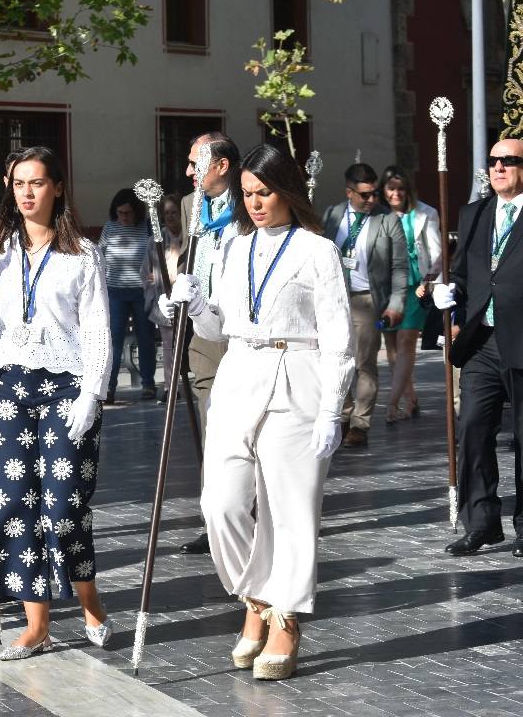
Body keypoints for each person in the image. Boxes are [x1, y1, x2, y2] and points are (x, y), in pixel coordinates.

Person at [162, 143, 353, 680]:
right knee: (220, 503)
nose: (255, 203)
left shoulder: (317, 251)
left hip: (299, 376)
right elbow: (217, 326)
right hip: (240, 375)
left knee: (290, 509)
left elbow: (339, 337)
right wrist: (193, 302)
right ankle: (256, 598)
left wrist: (332, 411)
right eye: (247, 194)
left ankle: (286, 618)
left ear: (288, 190)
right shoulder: (233, 249)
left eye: (264, 192)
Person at [0, 146, 113, 661]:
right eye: (19, 182)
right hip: (11, 384)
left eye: (37, 182)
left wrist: (92, 393)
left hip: (67, 386)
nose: (26, 192)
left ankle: (87, 593)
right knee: (14, 505)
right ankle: (36, 622)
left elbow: (97, 331)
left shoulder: (83, 255)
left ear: (57, 188)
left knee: (64, 506)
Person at [433, 138, 523, 558]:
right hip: (482, 342)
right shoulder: (476, 213)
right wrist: (448, 293)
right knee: (471, 429)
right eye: (493, 161)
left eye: (509, 160)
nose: (499, 167)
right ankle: (482, 523)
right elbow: (466, 271)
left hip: (522, 341)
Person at [178, 132, 242, 555]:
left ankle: (251, 511)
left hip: (242, 331)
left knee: (245, 430)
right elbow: (190, 254)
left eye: (195, 163)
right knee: (211, 426)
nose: (188, 172)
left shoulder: (252, 202)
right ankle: (214, 519)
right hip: (203, 331)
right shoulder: (190, 205)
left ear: (221, 165)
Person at [321, 163, 408, 448]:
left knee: (364, 363)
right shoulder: (333, 216)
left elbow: (399, 266)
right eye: (364, 195)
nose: (371, 200)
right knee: (336, 358)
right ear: (349, 193)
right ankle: (342, 414)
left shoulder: (387, 220)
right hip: (336, 299)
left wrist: (395, 304)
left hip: (368, 299)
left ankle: (360, 422)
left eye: (374, 194)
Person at [379, 167, 441, 424]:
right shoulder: (379, 216)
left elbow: (436, 253)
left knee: (406, 341)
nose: (395, 194)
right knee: (392, 345)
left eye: (400, 189)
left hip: (416, 285)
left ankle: (392, 404)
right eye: (391, 188)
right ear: (384, 190)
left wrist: (429, 282)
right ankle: (411, 397)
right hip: (387, 287)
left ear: (408, 190)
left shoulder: (424, 214)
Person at [99, 187, 156, 400]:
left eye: (128, 213)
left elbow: (156, 256)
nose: (123, 217)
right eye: (120, 213)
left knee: (146, 338)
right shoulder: (109, 227)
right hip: (115, 292)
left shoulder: (147, 227)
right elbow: (100, 256)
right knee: (113, 340)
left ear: (136, 211)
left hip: (141, 292)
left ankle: (148, 384)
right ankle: (110, 387)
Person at [148, 194, 184, 403]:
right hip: (166, 299)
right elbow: (147, 272)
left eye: (174, 212)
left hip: (191, 301)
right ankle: (171, 387)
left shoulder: (190, 237)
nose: (170, 217)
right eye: (167, 213)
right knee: (169, 347)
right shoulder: (156, 240)